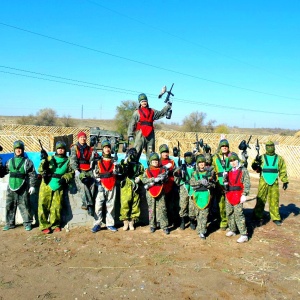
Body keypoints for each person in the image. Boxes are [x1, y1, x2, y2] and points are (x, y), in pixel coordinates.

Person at [38, 141, 74, 234]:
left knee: (56, 206)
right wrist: (43, 160)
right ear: (56, 149)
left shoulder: (68, 161)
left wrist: (65, 178)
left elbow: (71, 172)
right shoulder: (50, 158)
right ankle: (44, 225)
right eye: (58, 148)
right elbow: (40, 170)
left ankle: (55, 224)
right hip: (47, 184)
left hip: (59, 184)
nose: (60, 150)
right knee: (43, 205)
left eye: (62, 148)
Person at [1, 140, 37, 231]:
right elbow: (3, 173)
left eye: (20, 149)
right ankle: (9, 223)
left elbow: (32, 174)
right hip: (11, 187)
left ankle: (27, 223)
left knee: (25, 205)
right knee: (9, 206)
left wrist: (32, 186)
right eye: (17, 149)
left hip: (23, 187)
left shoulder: (28, 162)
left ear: (23, 150)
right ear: (14, 150)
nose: (18, 150)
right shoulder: (9, 162)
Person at [251, 140, 289, 226]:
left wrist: (285, 181)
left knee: (274, 199)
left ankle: (275, 217)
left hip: (274, 181)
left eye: (271, 146)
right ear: (266, 147)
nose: (270, 148)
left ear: (274, 147)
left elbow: (283, 170)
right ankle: (257, 215)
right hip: (263, 180)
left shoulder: (279, 159)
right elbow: (254, 167)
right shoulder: (261, 157)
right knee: (261, 198)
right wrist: (256, 163)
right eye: (268, 146)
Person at [127, 93, 172, 159]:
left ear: (147, 101)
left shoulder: (152, 111)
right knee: (136, 152)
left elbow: (161, 113)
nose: (144, 102)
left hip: (151, 135)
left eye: (145, 101)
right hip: (140, 134)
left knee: (151, 154)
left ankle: (151, 168)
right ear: (140, 103)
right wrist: (130, 135)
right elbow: (132, 124)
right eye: (142, 101)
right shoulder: (137, 112)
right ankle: (134, 167)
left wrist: (168, 106)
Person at [91, 140, 118, 233]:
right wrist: (98, 183)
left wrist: (118, 167)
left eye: (108, 147)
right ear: (102, 149)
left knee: (110, 205)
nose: (107, 149)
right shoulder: (98, 161)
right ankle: (97, 224)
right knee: (98, 205)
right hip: (101, 185)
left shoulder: (114, 160)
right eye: (105, 147)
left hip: (112, 183)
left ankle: (110, 224)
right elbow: (95, 173)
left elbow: (117, 172)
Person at [70, 131, 98, 216]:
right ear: (78, 138)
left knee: (93, 184)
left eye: (84, 137)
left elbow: (92, 160)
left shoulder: (90, 149)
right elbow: (73, 160)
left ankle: (88, 204)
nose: (83, 139)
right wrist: (76, 170)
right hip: (79, 169)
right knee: (83, 185)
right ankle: (90, 205)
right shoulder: (74, 148)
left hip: (88, 169)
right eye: (81, 137)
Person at [142, 152, 170, 235]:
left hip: (160, 190)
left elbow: (166, 180)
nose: (155, 162)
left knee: (163, 208)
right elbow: (144, 180)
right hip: (150, 191)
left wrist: (164, 178)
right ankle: (152, 225)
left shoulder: (162, 170)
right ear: (150, 162)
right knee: (151, 209)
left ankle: (164, 226)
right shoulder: (147, 171)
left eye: (156, 161)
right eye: (153, 161)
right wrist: (153, 179)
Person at [225, 152, 250, 243]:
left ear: (237, 160)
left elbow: (246, 183)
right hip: (229, 194)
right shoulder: (229, 170)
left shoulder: (243, 170)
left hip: (238, 194)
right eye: (231, 161)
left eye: (234, 160)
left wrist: (245, 194)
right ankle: (233, 229)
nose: (233, 162)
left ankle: (244, 234)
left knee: (239, 214)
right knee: (229, 213)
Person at [190, 155, 215, 239]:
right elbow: (192, 183)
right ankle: (199, 228)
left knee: (204, 214)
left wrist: (208, 184)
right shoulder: (194, 173)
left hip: (205, 195)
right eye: (200, 162)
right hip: (197, 195)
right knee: (197, 213)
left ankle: (202, 232)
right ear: (197, 164)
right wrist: (199, 181)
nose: (201, 164)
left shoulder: (210, 173)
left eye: (203, 162)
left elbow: (213, 184)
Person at [119, 148, 144, 231]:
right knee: (125, 203)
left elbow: (142, 173)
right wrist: (126, 161)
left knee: (135, 203)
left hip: (135, 185)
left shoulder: (139, 164)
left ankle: (132, 221)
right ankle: (125, 221)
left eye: (134, 153)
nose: (133, 155)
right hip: (126, 183)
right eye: (131, 153)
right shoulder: (124, 162)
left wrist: (139, 178)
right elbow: (120, 169)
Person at [173, 151, 197, 230]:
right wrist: (179, 173)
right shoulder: (182, 166)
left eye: (189, 156)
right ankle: (182, 221)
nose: (187, 158)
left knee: (192, 205)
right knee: (183, 204)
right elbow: (175, 174)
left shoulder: (195, 166)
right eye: (186, 157)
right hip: (184, 187)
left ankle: (192, 221)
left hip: (193, 187)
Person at [212, 139, 232, 230]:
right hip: (219, 183)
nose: (224, 147)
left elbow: (240, 165)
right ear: (220, 147)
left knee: (230, 203)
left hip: (230, 182)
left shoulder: (232, 156)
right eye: (223, 146)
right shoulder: (215, 157)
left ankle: (231, 222)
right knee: (221, 204)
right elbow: (210, 168)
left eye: (226, 146)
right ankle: (223, 221)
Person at [159, 144, 178, 227]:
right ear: (160, 153)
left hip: (171, 185)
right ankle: (161, 221)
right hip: (161, 187)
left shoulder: (172, 162)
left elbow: (176, 172)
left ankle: (171, 220)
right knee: (161, 206)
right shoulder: (157, 162)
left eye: (166, 152)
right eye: (163, 152)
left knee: (171, 205)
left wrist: (174, 172)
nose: (165, 154)